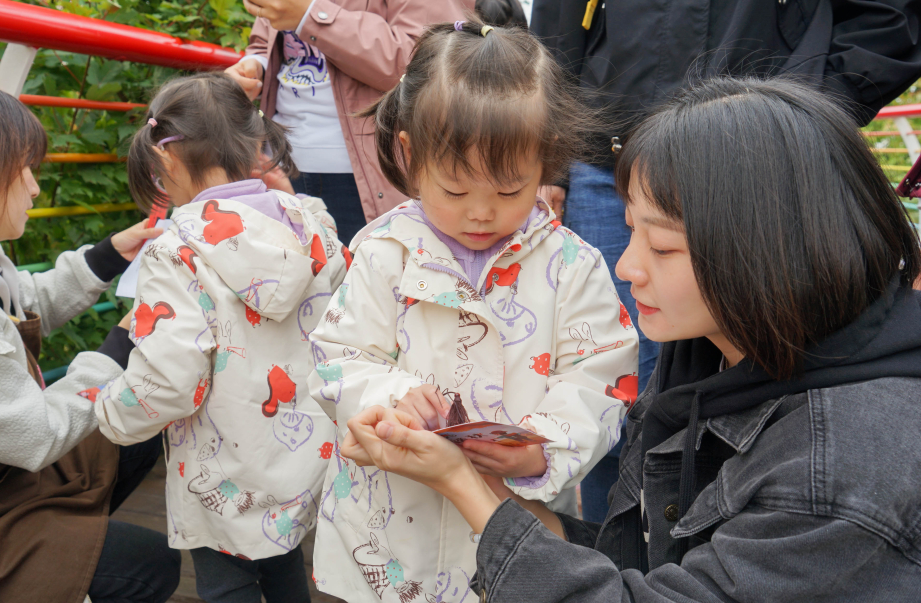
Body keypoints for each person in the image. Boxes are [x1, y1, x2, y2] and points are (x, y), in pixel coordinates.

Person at [340, 76, 921, 601]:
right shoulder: (710, 354)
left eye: (663, 246)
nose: (626, 268)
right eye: (629, 232)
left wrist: (461, 483)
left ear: (767, 250)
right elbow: (635, 565)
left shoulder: (842, 472)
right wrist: (478, 481)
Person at [529, 0, 921, 524]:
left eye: (659, 247)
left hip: (767, 167)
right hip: (611, 144)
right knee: (622, 391)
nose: (629, 268)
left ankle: (740, 541)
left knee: (777, 378)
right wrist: (551, 154)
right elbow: (559, 3)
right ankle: (629, 540)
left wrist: (797, 118)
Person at [305, 19, 639, 603]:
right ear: (409, 154)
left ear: (547, 160)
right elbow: (338, 357)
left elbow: (601, 377)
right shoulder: (385, 251)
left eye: (511, 190)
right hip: (385, 531)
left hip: (512, 528)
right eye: (455, 190)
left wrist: (544, 446)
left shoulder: (571, 264)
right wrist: (390, 398)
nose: (481, 213)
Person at [0, 77, 178, 603]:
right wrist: (126, 338)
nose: (34, 187)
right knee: (149, 566)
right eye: (22, 170)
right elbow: (38, 435)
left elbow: (22, 301)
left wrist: (108, 255)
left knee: (139, 424)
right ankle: (62, 553)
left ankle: (73, 534)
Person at [91, 72, 349, 603]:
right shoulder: (311, 223)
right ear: (256, 145)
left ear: (165, 161)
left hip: (220, 471)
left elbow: (168, 381)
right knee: (281, 564)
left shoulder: (176, 250)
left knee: (224, 583)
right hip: (306, 456)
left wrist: (108, 410)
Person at [223, 0, 479, 245]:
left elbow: (432, 61)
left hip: (374, 179)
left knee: (367, 291)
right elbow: (263, 40)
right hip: (279, 166)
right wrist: (254, 65)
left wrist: (311, 16)